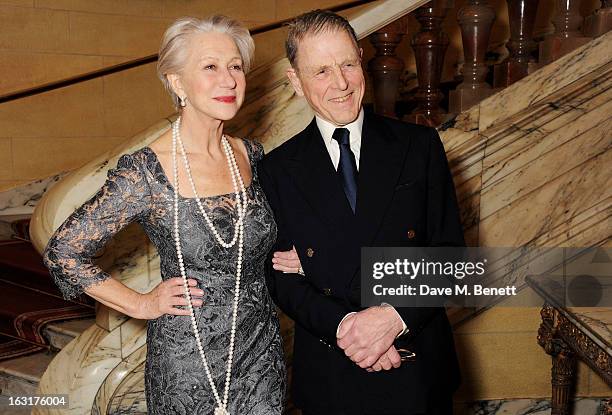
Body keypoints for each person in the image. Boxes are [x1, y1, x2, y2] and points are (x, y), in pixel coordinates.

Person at [43, 15, 285, 415]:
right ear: (176, 82)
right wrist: (139, 304)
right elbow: (64, 252)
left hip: (260, 352)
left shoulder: (251, 155)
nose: (228, 80)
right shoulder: (145, 172)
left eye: (235, 66)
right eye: (210, 66)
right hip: (187, 361)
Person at [258, 10, 464, 415]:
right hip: (332, 375)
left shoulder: (419, 146)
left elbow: (452, 258)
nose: (341, 83)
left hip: (417, 367)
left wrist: (392, 318)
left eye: (348, 63)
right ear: (295, 83)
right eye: (320, 71)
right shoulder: (276, 169)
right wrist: (347, 328)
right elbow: (279, 281)